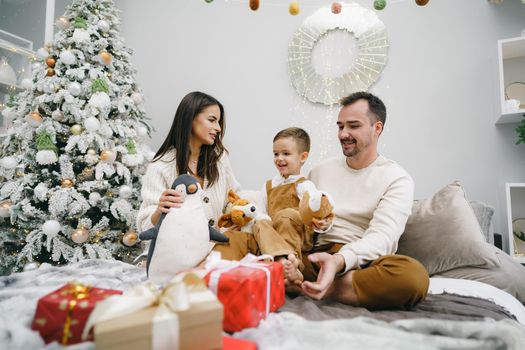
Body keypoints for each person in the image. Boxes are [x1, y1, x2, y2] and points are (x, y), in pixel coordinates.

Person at [287, 91, 429, 310]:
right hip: (313, 258)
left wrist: (339, 261)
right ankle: (312, 282)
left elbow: (383, 237)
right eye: (340, 126)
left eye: (353, 126)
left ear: (377, 128)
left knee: (413, 277)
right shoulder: (320, 171)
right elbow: (299, 221)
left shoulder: (397, 178)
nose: (344, 134)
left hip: (360, 264)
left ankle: (305, 287)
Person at [136, 91, 240, 250]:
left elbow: (234, 199)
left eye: (218, 122)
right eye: (212, 120)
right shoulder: (160, 166)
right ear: (190, 118)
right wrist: (159, 211)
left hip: (219, 252)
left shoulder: (220, 159)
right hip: (179, 256)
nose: (218, 128)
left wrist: (236, 216)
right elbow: (144, 227)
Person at [256, 127, 333, 285]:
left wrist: (322, 222)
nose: (279, 158)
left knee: (287, 215)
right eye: (276, 154)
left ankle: (293, 263)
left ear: (303, 157)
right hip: (275, 234)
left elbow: (315, 209)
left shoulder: (304, 185)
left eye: (286, 153)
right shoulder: (268, 186)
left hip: (298, 233)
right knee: (259, 222)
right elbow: (261, 212)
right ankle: (283, 262)